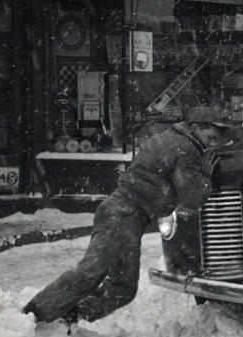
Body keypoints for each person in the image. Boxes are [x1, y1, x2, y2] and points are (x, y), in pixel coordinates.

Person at [23, 105, 231, 325]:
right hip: (124, 215)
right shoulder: (186, 150)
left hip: (123, 213)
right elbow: (192, 198)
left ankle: (68, 319)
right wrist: (206, 177)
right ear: (196, 127)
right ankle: (32, 316)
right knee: (90, 273)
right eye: (211, 137)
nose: (212, 143)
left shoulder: (167, 137)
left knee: (122, 288)